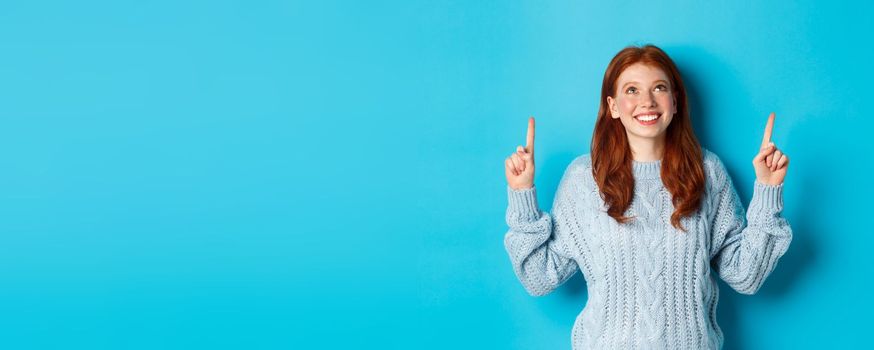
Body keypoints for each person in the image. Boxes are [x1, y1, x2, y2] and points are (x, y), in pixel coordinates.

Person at [502, 44, 792, 350]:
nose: (647, 102)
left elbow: (746, 275)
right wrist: (522, 195)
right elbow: (539, 277)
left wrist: (767, 191)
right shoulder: (583, 179)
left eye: (659, 87)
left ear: (675, 101)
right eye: (631, 90)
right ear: (612, 106)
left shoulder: (707, 172)